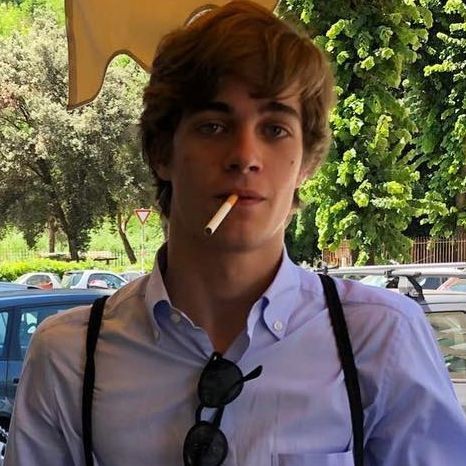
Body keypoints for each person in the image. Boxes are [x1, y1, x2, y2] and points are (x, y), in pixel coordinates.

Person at [5, 1, 466, 465]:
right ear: (162, 153)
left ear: (305, 164)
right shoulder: (70, 357)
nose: (245, 155)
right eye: (213, 126)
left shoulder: (380, 339)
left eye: (275, 129)